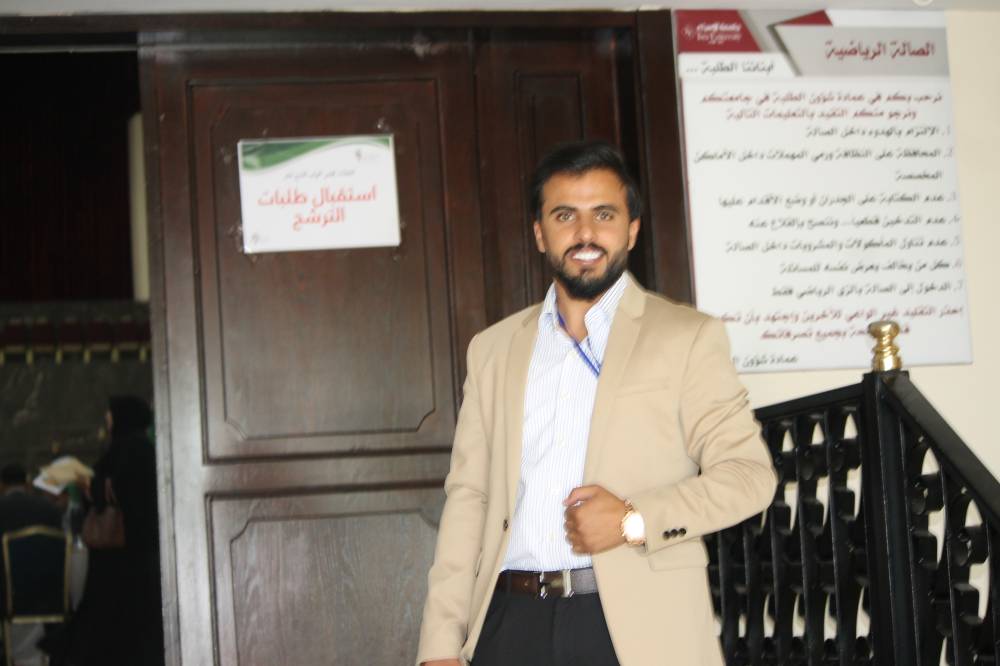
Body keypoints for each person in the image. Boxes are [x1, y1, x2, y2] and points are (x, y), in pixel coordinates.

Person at [416, 141, 777, 666]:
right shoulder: (492, 349)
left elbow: (749, 477)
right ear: (540, 233)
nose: (585, 233)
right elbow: (469, 497)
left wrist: (634, 519)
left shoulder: (686, 338)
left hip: (634, 628)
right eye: (565, 215)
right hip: (509, 621)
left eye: (603, 214)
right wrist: (440, 643)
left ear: (631, 229)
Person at [50, 395, 163, 666]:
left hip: (117, 556)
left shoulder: (126, 450)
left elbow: (119, 493)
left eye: (111, 413)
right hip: (138, 554)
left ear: (122, 416)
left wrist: (89, 485)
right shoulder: (146, 449)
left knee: (108, 625)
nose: (107, 419)